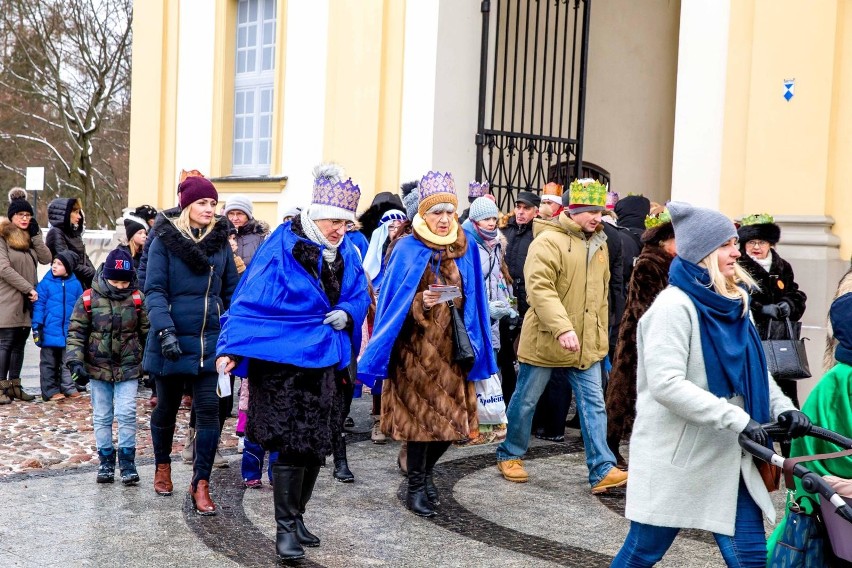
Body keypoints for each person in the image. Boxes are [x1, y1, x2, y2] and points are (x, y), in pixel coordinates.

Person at [611, 201, 810, 568]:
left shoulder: (735, 302)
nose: (737, 251)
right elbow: (667, 385)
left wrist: (785, 409)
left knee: (750, 559)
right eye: (727, 244)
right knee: (642, 552)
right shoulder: (673, 308)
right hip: (680, 458)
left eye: (735, 242)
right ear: (703, 252)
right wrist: (736, 419)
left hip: (729, 455)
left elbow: (756, 370)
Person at [216, 172, 369, 561]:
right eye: (335, 221)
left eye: (346, 223)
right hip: (283, 367)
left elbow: (358, 295)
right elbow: (251, 299)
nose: (341, 229)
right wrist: (230, 347)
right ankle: (284, 529)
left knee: (315, 446)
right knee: (288, 444)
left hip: (328, 364)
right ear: (316, 216)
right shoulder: (281, 246)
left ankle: (298, 516)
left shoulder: (348, 252)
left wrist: (347, 314)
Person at [359, 171, 497, 518]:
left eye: (450, 212)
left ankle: (424, 472)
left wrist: (454, 296)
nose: (444, 219)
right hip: (414, 354)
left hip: (453, 353)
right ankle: (416, 485)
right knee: (421, 427)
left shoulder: (462, 246)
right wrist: (421, 302)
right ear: (423, 213)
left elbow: (473, 296)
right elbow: (389, 303)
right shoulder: (406, 247)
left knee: (453, 428)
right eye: (437, 212)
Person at [495, 178, 627, 495]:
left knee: (595, 406)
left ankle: (601, 469)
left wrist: (603, 339)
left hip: (587, 345)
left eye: (599, 211)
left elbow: (602, 296)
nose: (596, 217)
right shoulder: (547, 242)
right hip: (547, 339)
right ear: (570, 211)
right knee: (526, 401)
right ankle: (509, 454)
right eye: (589, 211)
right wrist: (563, 327)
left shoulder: (601, 243)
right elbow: (540, 290)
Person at [144, 172, 239, 515]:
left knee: (210, 414)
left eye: (213, 203)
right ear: (187, 205)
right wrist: (164, 330)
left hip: (209, 344)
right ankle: (162, 466)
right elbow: (154, 290)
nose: (209, 208)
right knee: (165, 410)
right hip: (169, 340)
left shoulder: (220, 244)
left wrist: (233, 339)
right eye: (202, 202)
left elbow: (231, 293)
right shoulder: (163, 242)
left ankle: (201, 482)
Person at [65, 249, 150, 485]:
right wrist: (75, 361)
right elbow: (76, 332)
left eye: (125, 281)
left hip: (129, 366)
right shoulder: (88, 299)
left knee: (127, 413)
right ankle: (105, 460)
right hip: (97, 367)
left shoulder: (137, 299)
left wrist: (150, 366)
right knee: (102, 415)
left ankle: (127, 461)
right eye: (115, 281)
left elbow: (146, 333)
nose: (120, 286)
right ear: (105, 277)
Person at [605, 207, 675, 468]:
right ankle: (611, 448)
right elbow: (642, 307)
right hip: (636, 341)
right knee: (622, 397)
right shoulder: (649, 262)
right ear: (664, 241)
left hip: (653, 340)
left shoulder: (671, 263)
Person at [737, 214, 807, 411]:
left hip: (780, 340)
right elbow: (735, 295)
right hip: (752, 336)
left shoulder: (782, 266)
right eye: (751, 242)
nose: (756, 247)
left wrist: (788, 305)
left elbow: (795, 293)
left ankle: (785, 433)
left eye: (761, 242)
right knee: (755, 382)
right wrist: (760, 309)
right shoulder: (737, 265)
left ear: (770, 244)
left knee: (783, 386)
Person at [0, 188, 52, 404]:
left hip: (27, 301)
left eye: (28, 215)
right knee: (6, 343)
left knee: (20, 343)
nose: (25, 219)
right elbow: (4, 269)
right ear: (12, 216)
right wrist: (29, 288)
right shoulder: (3, 237)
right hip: (8, 298)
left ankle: (15, 385)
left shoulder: (29, 237)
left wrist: (37, 235)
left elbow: (46, 257)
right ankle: (1, 386)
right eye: (21, 215)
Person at [499, 190, 540, 404]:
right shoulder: (505, 229)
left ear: (536, 211)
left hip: (527, 297)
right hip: (507, 295)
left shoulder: (538, 233)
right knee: (505, 350)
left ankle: (524, 400)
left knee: (525, 350)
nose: (521, 212)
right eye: (518, 207)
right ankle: (506, 397)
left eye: (526, 208)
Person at [32, 250, 85, 401]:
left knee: (67, 361)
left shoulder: (75, 284)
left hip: (68, 331)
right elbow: (39, 306)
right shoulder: (46, 283)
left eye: (59, 264)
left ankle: (68, 387)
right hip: (49, 330)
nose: (54, 266)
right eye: (53, 263)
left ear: (68, 267)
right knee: (48, 363)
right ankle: (50, 391)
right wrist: (37, 326)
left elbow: (79, 307)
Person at [46, 197, 96, 289]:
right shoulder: (56, 233)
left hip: (81, 282)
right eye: (76, 212)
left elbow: (83, 257)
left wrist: (95, 274)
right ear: (65, 213)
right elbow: (66, 261)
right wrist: (91, 273)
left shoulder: (74, 232)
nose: (79, 216)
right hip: (65, 285)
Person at [223, 194, 269, 267]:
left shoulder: (262, 237)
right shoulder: (220, 236)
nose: (235, 218)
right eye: (231, 213)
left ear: (248, 216)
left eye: (239, 214)